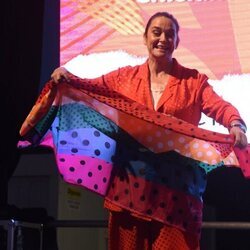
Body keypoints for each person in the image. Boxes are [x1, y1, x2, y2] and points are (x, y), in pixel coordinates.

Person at [49, 12, 248, 249]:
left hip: (176, 194)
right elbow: (92, 89)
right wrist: (68, 78)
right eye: (157, 32)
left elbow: (221, 107)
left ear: (177, 42)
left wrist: (236, 124)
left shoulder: (193, 82)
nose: (163, 38)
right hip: (130, 189)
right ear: (145, 38)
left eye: (170, 34)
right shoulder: (124, 78)